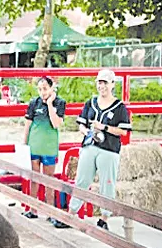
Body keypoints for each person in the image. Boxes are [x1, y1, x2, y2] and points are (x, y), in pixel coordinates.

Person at [53, 69, 132, 230]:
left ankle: (104, 219)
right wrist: (87, 131)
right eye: (99, 82)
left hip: (109, 149)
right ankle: (71, 215)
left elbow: (123, 131)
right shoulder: (91, 103)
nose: (102, 86)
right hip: (90, 146)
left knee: (107, 183)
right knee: (82, 180)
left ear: (112, 84)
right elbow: (82, 124)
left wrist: (103, 127)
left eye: (105, 82)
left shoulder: (119, 107)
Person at [22, 77, 65, 222]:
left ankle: (50, 212)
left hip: (49, 147)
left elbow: (56, 123)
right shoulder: (34, 103)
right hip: (34, 145)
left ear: (52, 88)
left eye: (45, 89)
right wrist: (24, 144)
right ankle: (32, 209)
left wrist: (50, 103)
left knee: (49, 180)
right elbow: (27, 125)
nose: (42, 92)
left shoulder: (59, 103)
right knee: (34, 178)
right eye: (40, 89)